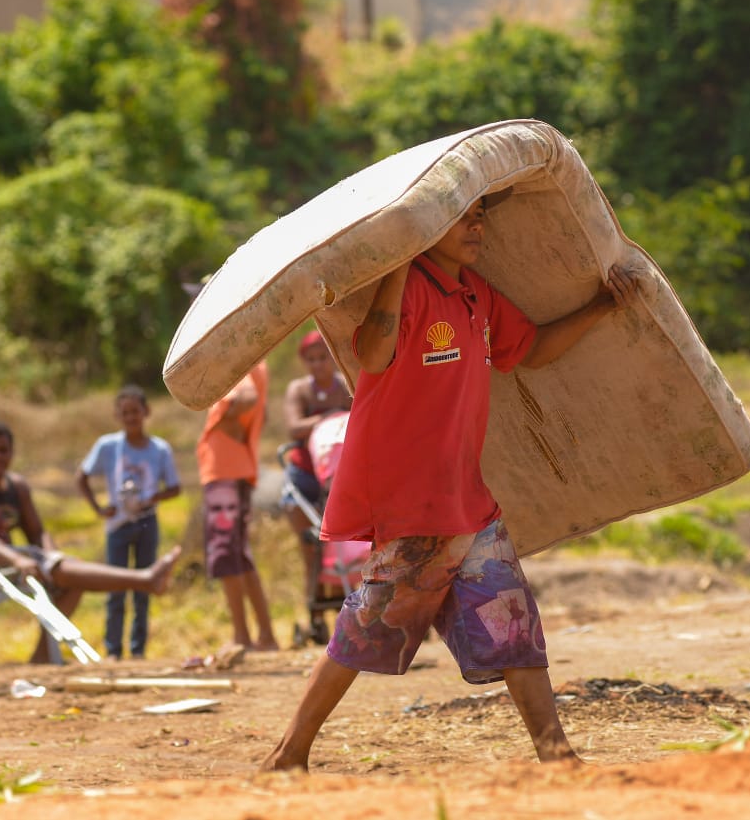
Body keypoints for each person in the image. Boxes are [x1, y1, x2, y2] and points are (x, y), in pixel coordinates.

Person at [262, 193, 638, 770]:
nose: (476, 226)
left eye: (480, 215)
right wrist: (398, 264)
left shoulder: (476, 295)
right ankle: (288, 754)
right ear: (428, 228)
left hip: (467, 500)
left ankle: (557, 755)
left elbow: (532, 349)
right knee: (365, 627)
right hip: (414, 505)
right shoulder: (409, 289)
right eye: (462, 217)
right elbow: (374, 355)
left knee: (513, 618)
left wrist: (603, 306)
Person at [0, 421, 182, 664]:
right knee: (67, 573)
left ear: (12, 453)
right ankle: (145, 580)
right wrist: (18, 560)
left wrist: (52, 556)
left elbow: (37, 532)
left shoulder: (17, 487)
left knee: (70, 574)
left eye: (2, 450)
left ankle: (42, 656)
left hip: (8, 562)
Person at [75, 385, 183, 659]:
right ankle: (113, 649)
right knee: (116, 587)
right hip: (118, 525)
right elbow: (82, 477)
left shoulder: (159, 449)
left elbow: (175, 487)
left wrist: (152, 498)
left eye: (135, 411)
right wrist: (99, 509)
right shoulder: (108, 446)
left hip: (146, 522)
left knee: (144, 586)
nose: (131, 417)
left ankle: (138, 649)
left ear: (146, 412)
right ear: (117, 416)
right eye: (125, 413)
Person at [197, 360, 279, 651]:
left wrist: (227, 423)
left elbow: (247, 397)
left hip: (224, 469)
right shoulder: (257, 360)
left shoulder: (236, 356)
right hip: (239, 465)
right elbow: (262, 413)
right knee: (240, 555)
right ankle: (266, 636)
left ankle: (241, 636)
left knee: (225, 552)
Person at [280, 330, 353, 629]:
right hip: (307, 474)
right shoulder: (299, 390)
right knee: (311, 548)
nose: (317, 364)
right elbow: (294, 427)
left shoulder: (344, 386)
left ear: (332, 358)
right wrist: (332, 416)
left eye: (323, 358)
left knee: (348, 545)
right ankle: (315, 614)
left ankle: (350, 609)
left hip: (340, 474)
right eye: (311, 360)